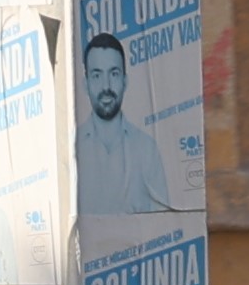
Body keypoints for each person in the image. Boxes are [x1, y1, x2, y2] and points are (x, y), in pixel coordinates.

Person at [71, 29, 200, 213]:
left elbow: (161, 221)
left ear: (125, 81)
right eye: (97, 75)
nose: (106, 86)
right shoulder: (71, 149)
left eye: (114, 74)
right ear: (86, 84)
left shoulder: (147, 149)